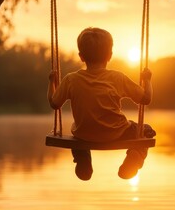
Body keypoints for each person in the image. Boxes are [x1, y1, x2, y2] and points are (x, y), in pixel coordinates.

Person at [47, 27, 155, 181]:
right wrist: (148, 80)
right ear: (109, 55)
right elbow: (146, 98)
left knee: (76, 137)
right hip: (117, 132)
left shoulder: (71, 80)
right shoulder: (117, 77)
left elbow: (53, 103)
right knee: (146, 130)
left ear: (81, 56)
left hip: (83, 135)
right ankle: (134, 157)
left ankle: (82, 160)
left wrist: (51, 82)